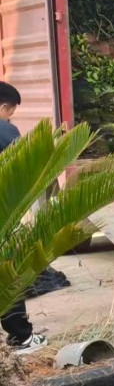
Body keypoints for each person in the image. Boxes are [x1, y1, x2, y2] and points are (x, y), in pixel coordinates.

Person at [0, 81, 49, 355]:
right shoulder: (4, 130)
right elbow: (25, 169)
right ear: (4, 107)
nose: (9, 119)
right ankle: (22, 338)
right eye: (10, 113)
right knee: (8, 273)